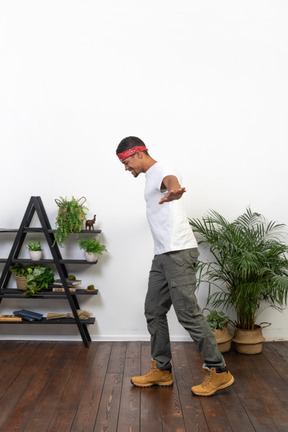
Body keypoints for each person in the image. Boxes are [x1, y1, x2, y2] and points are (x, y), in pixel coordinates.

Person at [116, 136, 234, 397]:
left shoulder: (161, 168)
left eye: (126, 162)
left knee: (187, 313)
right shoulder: (149, 176)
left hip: (178, 252)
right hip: (162, 254)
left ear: (138, 153)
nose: (126, 168)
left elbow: (170, 180)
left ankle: (219, 371)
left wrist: (175, 189)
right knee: (153, 309)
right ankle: (162, 368)